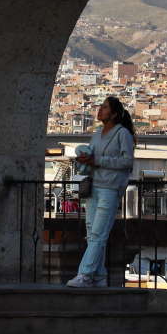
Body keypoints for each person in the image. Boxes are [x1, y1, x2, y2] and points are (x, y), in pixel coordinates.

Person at [66, 95, 135, 288]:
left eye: (104, 107)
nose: (100, 110)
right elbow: (93, 157)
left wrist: (98, 161)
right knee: (92, 233)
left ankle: (85, 274)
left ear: (113, 113)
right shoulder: (96, 134)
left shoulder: (122, 134)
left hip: (110, 189)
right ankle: (99, 276)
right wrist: (85, 160)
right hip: (94, 187)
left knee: (98, 233)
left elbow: (127, 161)